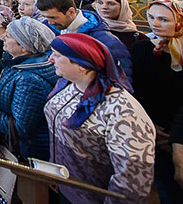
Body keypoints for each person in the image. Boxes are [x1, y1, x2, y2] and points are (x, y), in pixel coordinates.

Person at [44, 33, 155, 203]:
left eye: (58, 55)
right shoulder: (68, 85)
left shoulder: (122, 111)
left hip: (94, 196)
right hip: (67, 187)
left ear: (83, 66)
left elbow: (132, 178)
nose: (50, 59)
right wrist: (55, 170)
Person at [0, 17, 57, 162]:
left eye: (9, 36)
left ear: (24, 47)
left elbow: (20, 128)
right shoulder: (16, 65)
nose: (3, 37)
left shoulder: (28, 80)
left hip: (23, 154)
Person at [133, 0, 183, 202]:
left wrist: (176, 138)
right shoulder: (141, 49)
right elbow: (133, 92)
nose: (155, 23)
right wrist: (149, 127)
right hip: (153, 131)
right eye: (151, 17)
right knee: (168, 191)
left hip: (179, 132)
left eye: (163, 19)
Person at [37, 0, 133, 86]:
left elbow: (122, 78)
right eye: (45, 17)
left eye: (53, 17)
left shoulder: (104, 39)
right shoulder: (53, 28)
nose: (50, 22)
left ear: (71, 12)